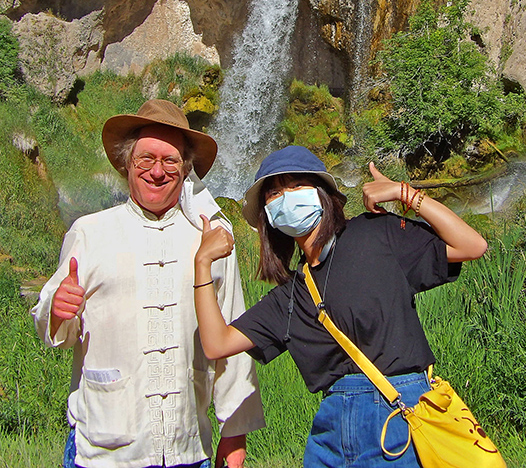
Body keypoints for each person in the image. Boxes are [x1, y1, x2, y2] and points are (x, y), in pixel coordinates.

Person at [193, 145, 488, 468]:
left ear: (323, 193)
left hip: (400, 417)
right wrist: (203, 262)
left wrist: (404, 194)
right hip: (330, 432)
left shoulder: (375, 234)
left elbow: (471, 245)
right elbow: (216, 343)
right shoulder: (292, 295)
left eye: (296, 185)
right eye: (273, 193)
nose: (285, 197)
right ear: (268, 218)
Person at [32, 99, 265, 468]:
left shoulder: (213, 239)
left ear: (186, 169)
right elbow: (55, 328)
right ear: (127, 164)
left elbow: (233, 335)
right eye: (146, 160)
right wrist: (58, 311)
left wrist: (235, 434)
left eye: (170, 161)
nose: (158, 171)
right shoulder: (89, 233)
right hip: (103, 449)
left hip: (188, 447)